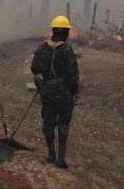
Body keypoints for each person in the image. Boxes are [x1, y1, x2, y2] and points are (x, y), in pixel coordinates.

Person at [31, 15, 79, 169]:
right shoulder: (67, 50)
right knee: (63, 125)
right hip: (64, 94)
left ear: (53, 31)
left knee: (48, 123)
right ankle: (61, 159)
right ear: (65, 32)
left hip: (47, 92)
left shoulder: (42, 47)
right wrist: (76, 91)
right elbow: (73, 75)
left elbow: (34, 69)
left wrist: (42, 83)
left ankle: (51, 154)